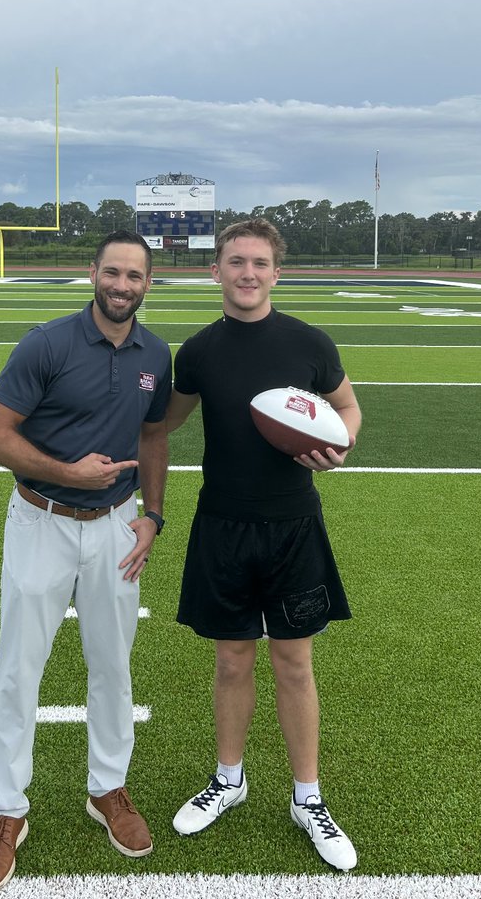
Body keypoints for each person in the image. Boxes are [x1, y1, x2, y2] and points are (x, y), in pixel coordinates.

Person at [0, 230, 171, 892]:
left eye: (134, 276)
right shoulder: (47, 343)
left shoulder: (153, 351)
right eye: (112, 273)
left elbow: (152, 435)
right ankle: (8, 810)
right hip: (42, 520)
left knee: (113, 666)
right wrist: (68, 472)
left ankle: (107, 789)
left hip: (115, 525)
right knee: (18, 668)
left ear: (148, 282)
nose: (121, 286)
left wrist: (152, 514)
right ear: (93, 273)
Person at [166, 219, 362, 872]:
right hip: (222, 522)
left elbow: (349, 409)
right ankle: (230, 779)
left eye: (259, 262)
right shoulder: (195, 353)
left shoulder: (309, 343)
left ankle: (308, 798)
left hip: (293, 525)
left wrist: (342, 444)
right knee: (230, 660)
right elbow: (160, 426)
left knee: (295, 663)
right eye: (235, 261)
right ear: (214, 271)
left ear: (277, 272)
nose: (247, 272)